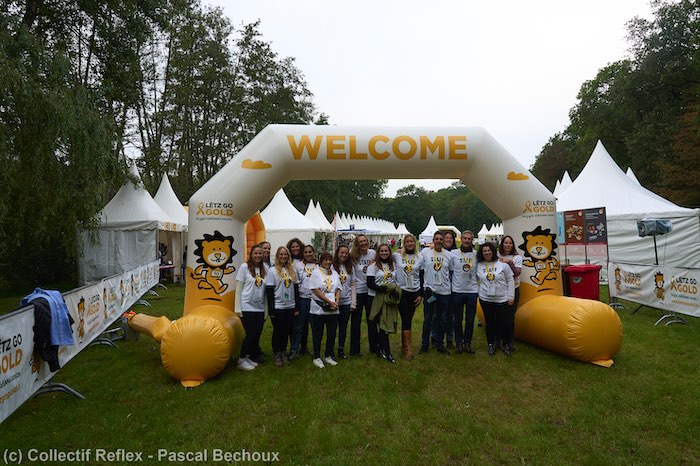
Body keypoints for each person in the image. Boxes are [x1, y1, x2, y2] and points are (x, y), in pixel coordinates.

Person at [475, 242, 514, 356]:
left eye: (489, 250)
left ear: (493, 251)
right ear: (481, 253)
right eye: (484, 251)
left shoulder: (502, 265)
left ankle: (505, 344)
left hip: (502, 299)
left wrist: (511, 296)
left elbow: (510, 280)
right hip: (485, 299)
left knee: (504, 323)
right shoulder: (479, 265)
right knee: (490, 323)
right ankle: (491, 344)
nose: (487, 253)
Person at [367, 243, 401, 363]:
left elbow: (395, 280)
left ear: (389, 252)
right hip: (375, 298)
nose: (384, 253)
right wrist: (385, 289)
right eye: (381, 251)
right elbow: (370, 283)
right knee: (376, 324)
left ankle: (384, 349)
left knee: (385, 325)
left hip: (388, 300)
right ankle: (382, 349)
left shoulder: (394, 265)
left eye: (386, 251)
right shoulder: (373, 266)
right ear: (378, 252)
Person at [235, 244, 267, 371]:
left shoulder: (265, 268)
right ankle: (241, 359)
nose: (258, 255)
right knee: (251, 333)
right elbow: (239, 287)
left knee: (257, 334)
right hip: (246, 306)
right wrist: (238, 307)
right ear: (251, 254)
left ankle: (248, 357)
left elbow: (266, 291)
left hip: (259, 307)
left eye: (260, 253)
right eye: (256, 253)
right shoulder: (244, 267)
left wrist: (266, 309)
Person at [419, 231, 452, 354]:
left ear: (443, 241)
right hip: (430, 293)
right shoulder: (425, 252)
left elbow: (451, 272)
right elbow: (416, 262)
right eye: (436, 239)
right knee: (428, 318)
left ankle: (440, 344)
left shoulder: (449, 255)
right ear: (433, 240)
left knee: (442, 319)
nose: (438, 241)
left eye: (440, 239)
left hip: (444, 293)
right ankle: (425, 344)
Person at [266, 246, 299, 367]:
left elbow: (296, 289)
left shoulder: (292, 269)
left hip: (290, 306)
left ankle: (283, 352)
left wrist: (297, 307)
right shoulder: (272, 270)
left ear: (288, 256)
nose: (283, 257)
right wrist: (271, 310)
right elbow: (269, 290)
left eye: (285, 254)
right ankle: (277, 353)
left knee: (286, 331)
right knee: (278, 331)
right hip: (278, 307)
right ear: (277, 256)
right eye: (281, 254)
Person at [393, 233, 423, 360]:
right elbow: (383, 257)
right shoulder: (397, 255)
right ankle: (408, 350)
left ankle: (404, 346)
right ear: (404, 243)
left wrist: (421, 294)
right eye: (407, 241)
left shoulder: (420, 257)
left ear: (414, 243)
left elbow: (422, 275)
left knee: (408, 319)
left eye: (411, 241)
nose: (409, 243)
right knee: (405, 318)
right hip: (402, 291)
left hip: (414, 291)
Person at [309, 251, 341, 368]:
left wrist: (336, 302)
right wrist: (329, 302)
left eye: (329, 260)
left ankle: (329, 355)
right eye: (325, 260)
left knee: (332, 333)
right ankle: (317, 357)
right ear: (321, 261)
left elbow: (338, 288)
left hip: (333, 308)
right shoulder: (315, 273)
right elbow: (316, 290)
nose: (328, 262)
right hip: (319, 308)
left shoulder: (335, 273)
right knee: (318, 333)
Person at [448, 230, 478, 354]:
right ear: (461, 239)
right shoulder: (453, 253)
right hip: (457, 291)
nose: (467, 241)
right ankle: (459, 343)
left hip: (472, 291)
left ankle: (467, 343)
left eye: (469, 239)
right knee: (457, 319)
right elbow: (449, 270)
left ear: (472, 240)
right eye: (465, 238)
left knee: (470, 320)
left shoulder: (476, 254)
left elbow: (491, 257)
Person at [349, 234, 376, 356]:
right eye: (360, 242)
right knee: (356, 322)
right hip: (358, 291)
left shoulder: (373, 253)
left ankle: (374, 347)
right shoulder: (353, 256)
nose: (363, 243)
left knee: (372, 320)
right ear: (357, 244)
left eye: (365, 241)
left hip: (370, 291)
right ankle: (355, 350)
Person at [290, 244, 317, 359]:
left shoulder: (318, 266)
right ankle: (294, 350)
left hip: (315, 299)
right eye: (306, 252)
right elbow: (295, 283)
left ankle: (314, 350)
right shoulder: (298, 265)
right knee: (299, 326)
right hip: (302, 299)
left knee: (314, 326)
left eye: (310, 252)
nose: (308, 254)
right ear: (303, 254)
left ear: (313, 252)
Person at [498, 235, 522, 351]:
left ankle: (509, 342)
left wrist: (509, 262)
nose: (508, 245)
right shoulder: (497, 255)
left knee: (510, 317)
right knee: (500, 316)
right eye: (506, 243)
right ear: (502, 244)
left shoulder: (517, 257)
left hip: (514, 289)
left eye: (510, 243)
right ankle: (499, 340)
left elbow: (517, 273)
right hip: (499, 289)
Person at [332, 244, 356, 360]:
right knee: (332, 327)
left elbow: (353, 285)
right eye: (341, 253)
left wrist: (353, 302)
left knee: (343, 327)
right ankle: (330, 349)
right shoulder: (332, 266)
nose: (344, 255)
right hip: (334, 302)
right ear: (337, 253)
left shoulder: (350, 267)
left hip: (346, 302)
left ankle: (340, 349)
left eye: (346, 253)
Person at [441, 230, 457, 348]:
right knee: (438, 315)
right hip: (440, 288)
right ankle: (436, 337)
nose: (448, 240)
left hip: (453, 288)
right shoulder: (436, 252)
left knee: (451, 315)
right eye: (446, 238)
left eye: (450, 238)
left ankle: (450, 339)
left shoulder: (457, 253)